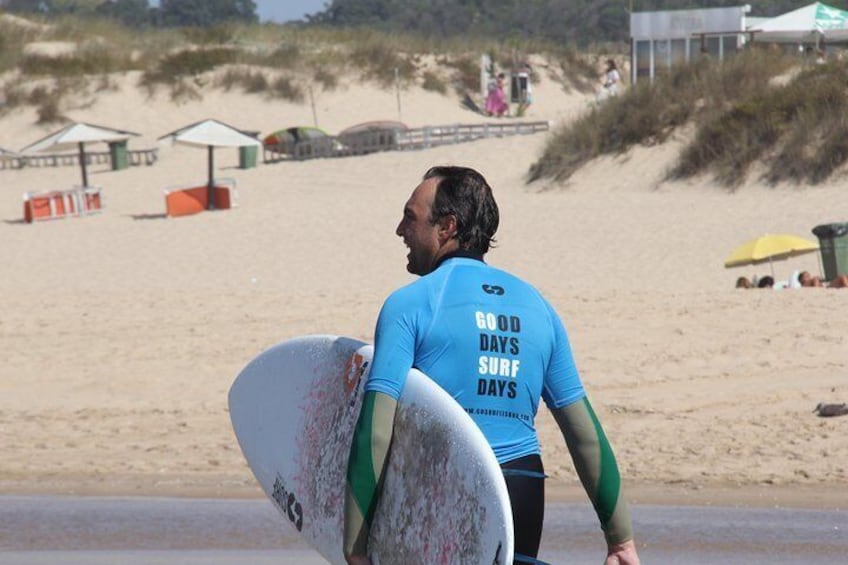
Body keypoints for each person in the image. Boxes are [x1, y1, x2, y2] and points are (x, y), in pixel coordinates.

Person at [343, 166, 640, 565]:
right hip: (522, 488)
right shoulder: (538, 307)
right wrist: (620, 541)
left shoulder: (411, 303)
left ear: (447, 226)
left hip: (446, 484)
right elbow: (584, 433)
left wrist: (355, 546)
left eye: (410, 217)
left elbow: (375, 430)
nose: (400, 230)